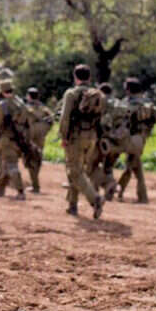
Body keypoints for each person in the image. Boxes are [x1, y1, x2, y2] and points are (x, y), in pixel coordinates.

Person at [59, 65, 106, 219]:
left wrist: (64, 136)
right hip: (92, 137)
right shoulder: (98, 95)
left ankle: (95, 199)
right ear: (89, 78)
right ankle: (72, 205)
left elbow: (64, 118)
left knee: (74, 171)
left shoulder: (71, 94)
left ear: (75, 77)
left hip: (76, 137)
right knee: (78, 170)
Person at [0, 80, 31, 200]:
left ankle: (20, 191)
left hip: (7, 139)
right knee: (5, 165)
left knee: (11, 164)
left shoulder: (2, 105)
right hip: (20, 139)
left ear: (2, 92)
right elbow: (27, 123)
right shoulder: (21, 104)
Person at [117, 78, 156, 203]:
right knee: (135, 166)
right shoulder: (147, 102)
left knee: (130, 166)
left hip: (131, 138)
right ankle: (140, 195)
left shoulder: (128, 102)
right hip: (142, 138)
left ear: (129, 90)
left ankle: (115, 190)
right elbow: (154, 120)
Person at [24, 88, 53, 194]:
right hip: (40, 137)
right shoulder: (44, 109)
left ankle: (35, 185)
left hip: (29, 137)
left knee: (29, 160)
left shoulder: (26, 108)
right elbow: (51, 121)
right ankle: (35, 182)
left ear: (28, 96)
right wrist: (44, 131)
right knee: (38, 158)